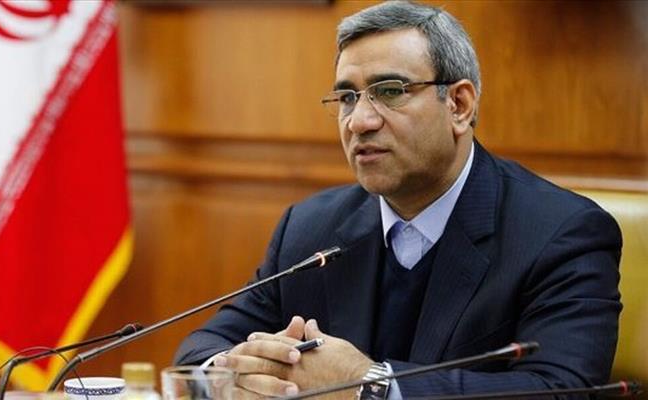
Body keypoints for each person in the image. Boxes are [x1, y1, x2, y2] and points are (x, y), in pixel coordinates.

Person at [174, 1, 622, 399]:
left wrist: (371, 384)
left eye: (389, 91)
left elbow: (563, 389)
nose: (359, 121)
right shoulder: (310, 228)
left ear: (459, 105)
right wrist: (236, 375)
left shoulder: (560, 234)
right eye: (347, 97)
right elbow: (202, 351)